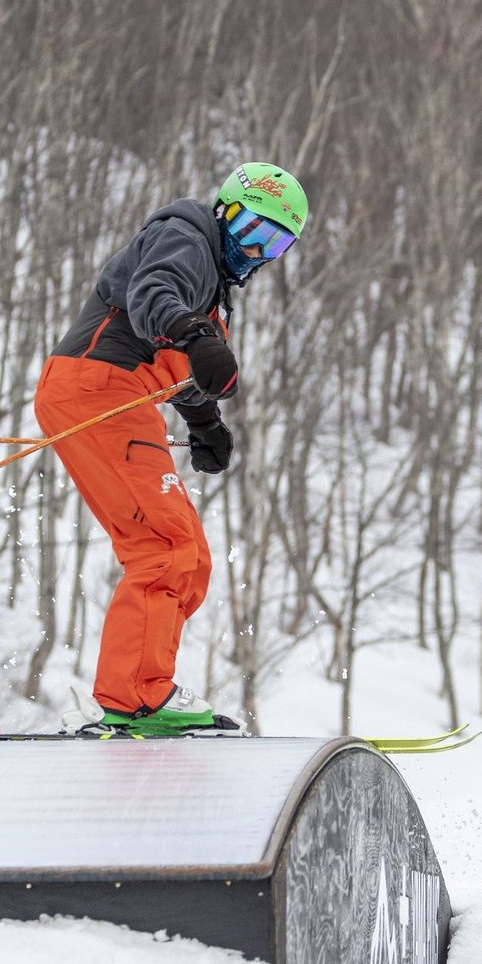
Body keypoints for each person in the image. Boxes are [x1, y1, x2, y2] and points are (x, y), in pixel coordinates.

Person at [34, 163, 307, 734]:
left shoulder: (209, 285)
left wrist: (205, 422)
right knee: (166, 545)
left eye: (276, 244)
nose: (259, 251)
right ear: (227, 211)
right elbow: (153, 294)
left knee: (191, 558)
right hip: (98, 386)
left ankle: (139, 690)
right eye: (255, 231)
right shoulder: (188, 237)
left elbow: (177, 358)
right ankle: (135, 698)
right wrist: (197, 334)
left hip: (111, 393)